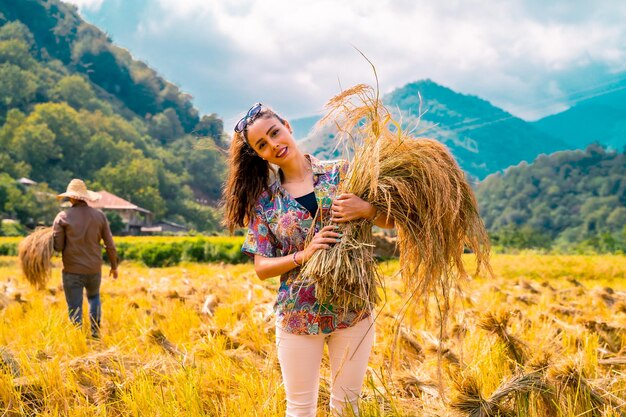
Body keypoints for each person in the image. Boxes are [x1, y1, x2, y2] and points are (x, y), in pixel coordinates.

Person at [223, 103, 394, 417]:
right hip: (298, 315)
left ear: (287, 125)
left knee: (348, 408)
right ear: (259, 154)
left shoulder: (341, 171)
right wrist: (304, 254)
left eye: (275, 133)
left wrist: (366, 210)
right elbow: (262, 268)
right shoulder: (266, 201)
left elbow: (391, 220)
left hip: (353, 308)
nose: (274, 145)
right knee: (300, 410)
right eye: (262, 144)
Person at [52, 179, 118, 339]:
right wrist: (114, 266)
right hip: (94, 269)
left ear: (72, 198)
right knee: (94, 297)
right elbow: (110, 244)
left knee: (75, 305)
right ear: (85, 197)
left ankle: (77, 338)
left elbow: (58, 247)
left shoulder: (62, 217)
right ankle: (95, 333)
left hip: (72, 271)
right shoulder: (99, 216)